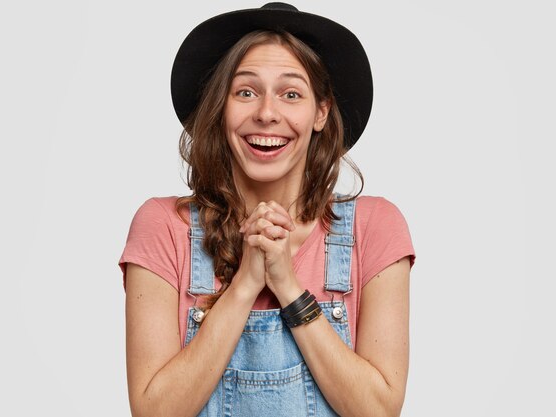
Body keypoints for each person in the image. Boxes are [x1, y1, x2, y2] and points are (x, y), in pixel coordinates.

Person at [118, 3, 415, 416]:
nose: (267, 113)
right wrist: (245, 284)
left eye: (291, 94)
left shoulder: (376, 227)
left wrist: (287, 286)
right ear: (221, 107)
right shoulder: (163, 226)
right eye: (245, 92)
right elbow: (154, 412)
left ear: (321, 113)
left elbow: (378, 411)